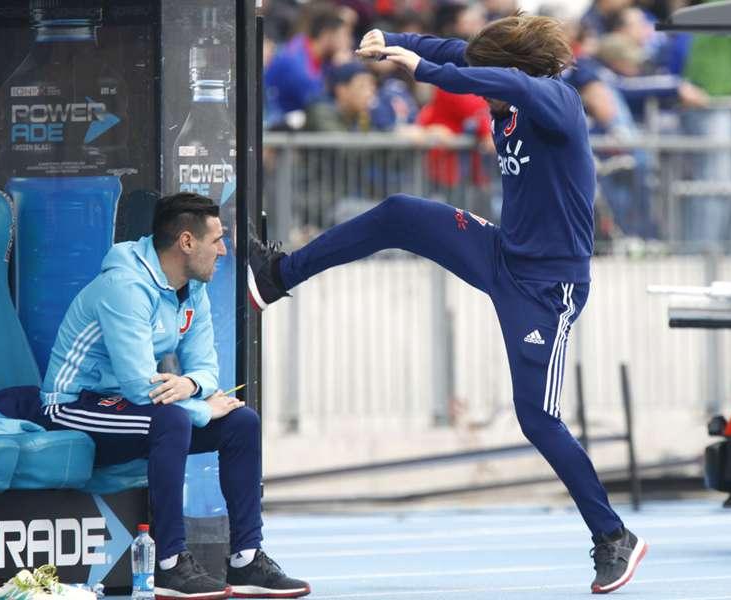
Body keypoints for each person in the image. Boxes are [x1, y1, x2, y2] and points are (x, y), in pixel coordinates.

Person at [247, 12, 647, 595]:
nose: (480, 87)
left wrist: (426, 71)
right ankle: (278, 275)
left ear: (513, 71)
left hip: (548, 290)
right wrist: (394, 43)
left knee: (537, 418)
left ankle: (614, 538)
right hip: (503, 254)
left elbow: (490, 79)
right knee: (401, 213)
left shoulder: (556, 100)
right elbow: (453, 51)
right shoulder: (500, 76)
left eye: (487, 76)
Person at [31, 193, 310, 599]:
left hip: (136, 406)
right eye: (216, 239)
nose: (223, 249)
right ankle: (169, 563)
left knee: (241, 422)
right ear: (186, 242)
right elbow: (139, 386)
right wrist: (198, 406)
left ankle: (247, 558)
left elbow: (205, 369)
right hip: (72, 405)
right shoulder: (124, 286)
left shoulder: (191, 288)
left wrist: (191, 386)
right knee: (174, 419)